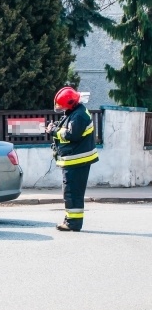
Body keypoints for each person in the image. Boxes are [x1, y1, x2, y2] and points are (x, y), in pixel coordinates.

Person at [46, 86, 98, 231]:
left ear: (70, 103)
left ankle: (73, 223)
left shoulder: (79, 115)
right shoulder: (76, 111)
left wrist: (54, 131)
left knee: (72, 193)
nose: (61, 109)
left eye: (62, 106)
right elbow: (69, 126)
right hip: (75, 160)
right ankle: (70, 221)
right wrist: (57, 126)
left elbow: (72, 135)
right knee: (71, 192)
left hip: (77, 161)